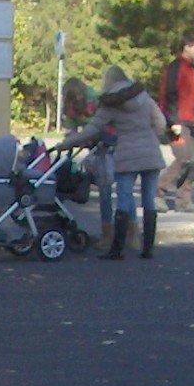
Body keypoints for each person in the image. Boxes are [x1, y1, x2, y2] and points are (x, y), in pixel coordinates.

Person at [58, 65, 167, 259]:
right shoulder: (143, 96)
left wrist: (66, 144)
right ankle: (147, 249)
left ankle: (116, 250)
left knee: (124, 199)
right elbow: (161, 123)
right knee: (148, 200)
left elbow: (93, 129)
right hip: (151, 152)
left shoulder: (110, 103)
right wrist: (152, 138)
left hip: (127, 155)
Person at [58, 75, 115, 241]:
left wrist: (88, 136)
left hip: (107, 142)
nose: (77, 100)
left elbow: (105, 122)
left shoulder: (95, 99)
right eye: (73, 99)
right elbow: (71, 129)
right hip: (91, 143)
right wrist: (69, 141)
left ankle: (109, 232)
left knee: (106, 190)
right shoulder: (69, 107)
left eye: (79, 97)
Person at [156, 36, 194, 213]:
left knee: (193, 163)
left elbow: (193, 98)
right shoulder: (176, 67)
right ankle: (157, 194)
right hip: (177, 121)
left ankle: (184, 200)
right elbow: (169, 94)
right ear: (187, 47)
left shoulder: (192, 70)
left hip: (190, 122)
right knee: (183, 159)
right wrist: (172, 121)